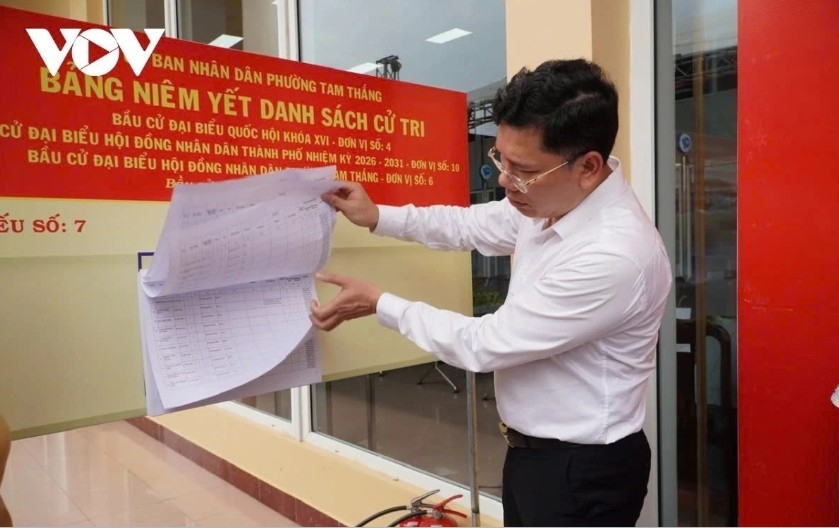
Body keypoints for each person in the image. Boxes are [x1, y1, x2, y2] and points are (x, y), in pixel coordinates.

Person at [310, 58, 672, 527]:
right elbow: (467, 225)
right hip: (533, 455)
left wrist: (382, 304)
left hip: (580, 471)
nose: (504, 180)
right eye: (500, 158)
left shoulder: (613, 256)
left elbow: (485, 345)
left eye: (521, 169)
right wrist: (378, 215)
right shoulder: (548, 201)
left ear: (587, 166)